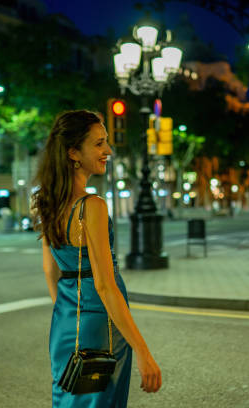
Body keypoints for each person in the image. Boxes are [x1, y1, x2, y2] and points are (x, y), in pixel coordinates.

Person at [32, 110, 162, 407]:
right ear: (74, 152)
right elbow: (105, 285)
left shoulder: (48, 203)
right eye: (99, 144)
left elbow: (50, 270)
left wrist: (70, 316)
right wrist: (142, 351)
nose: (108, 151)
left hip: (65, 324)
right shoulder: (92, 206)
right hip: (101, 328)